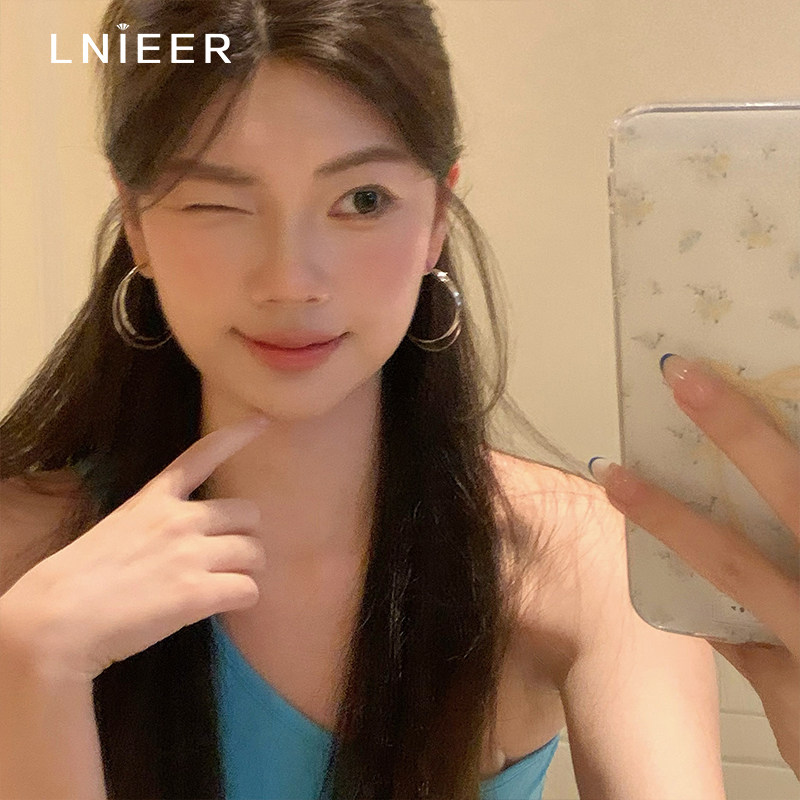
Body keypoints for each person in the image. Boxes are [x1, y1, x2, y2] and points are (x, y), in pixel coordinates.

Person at [0, 2, 794, 800]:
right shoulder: (24, 557)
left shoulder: (581, 564)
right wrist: (36, 666)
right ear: (135, 222)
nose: (291, 281)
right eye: (214, 202)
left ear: (438, 215)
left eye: (364, 200)